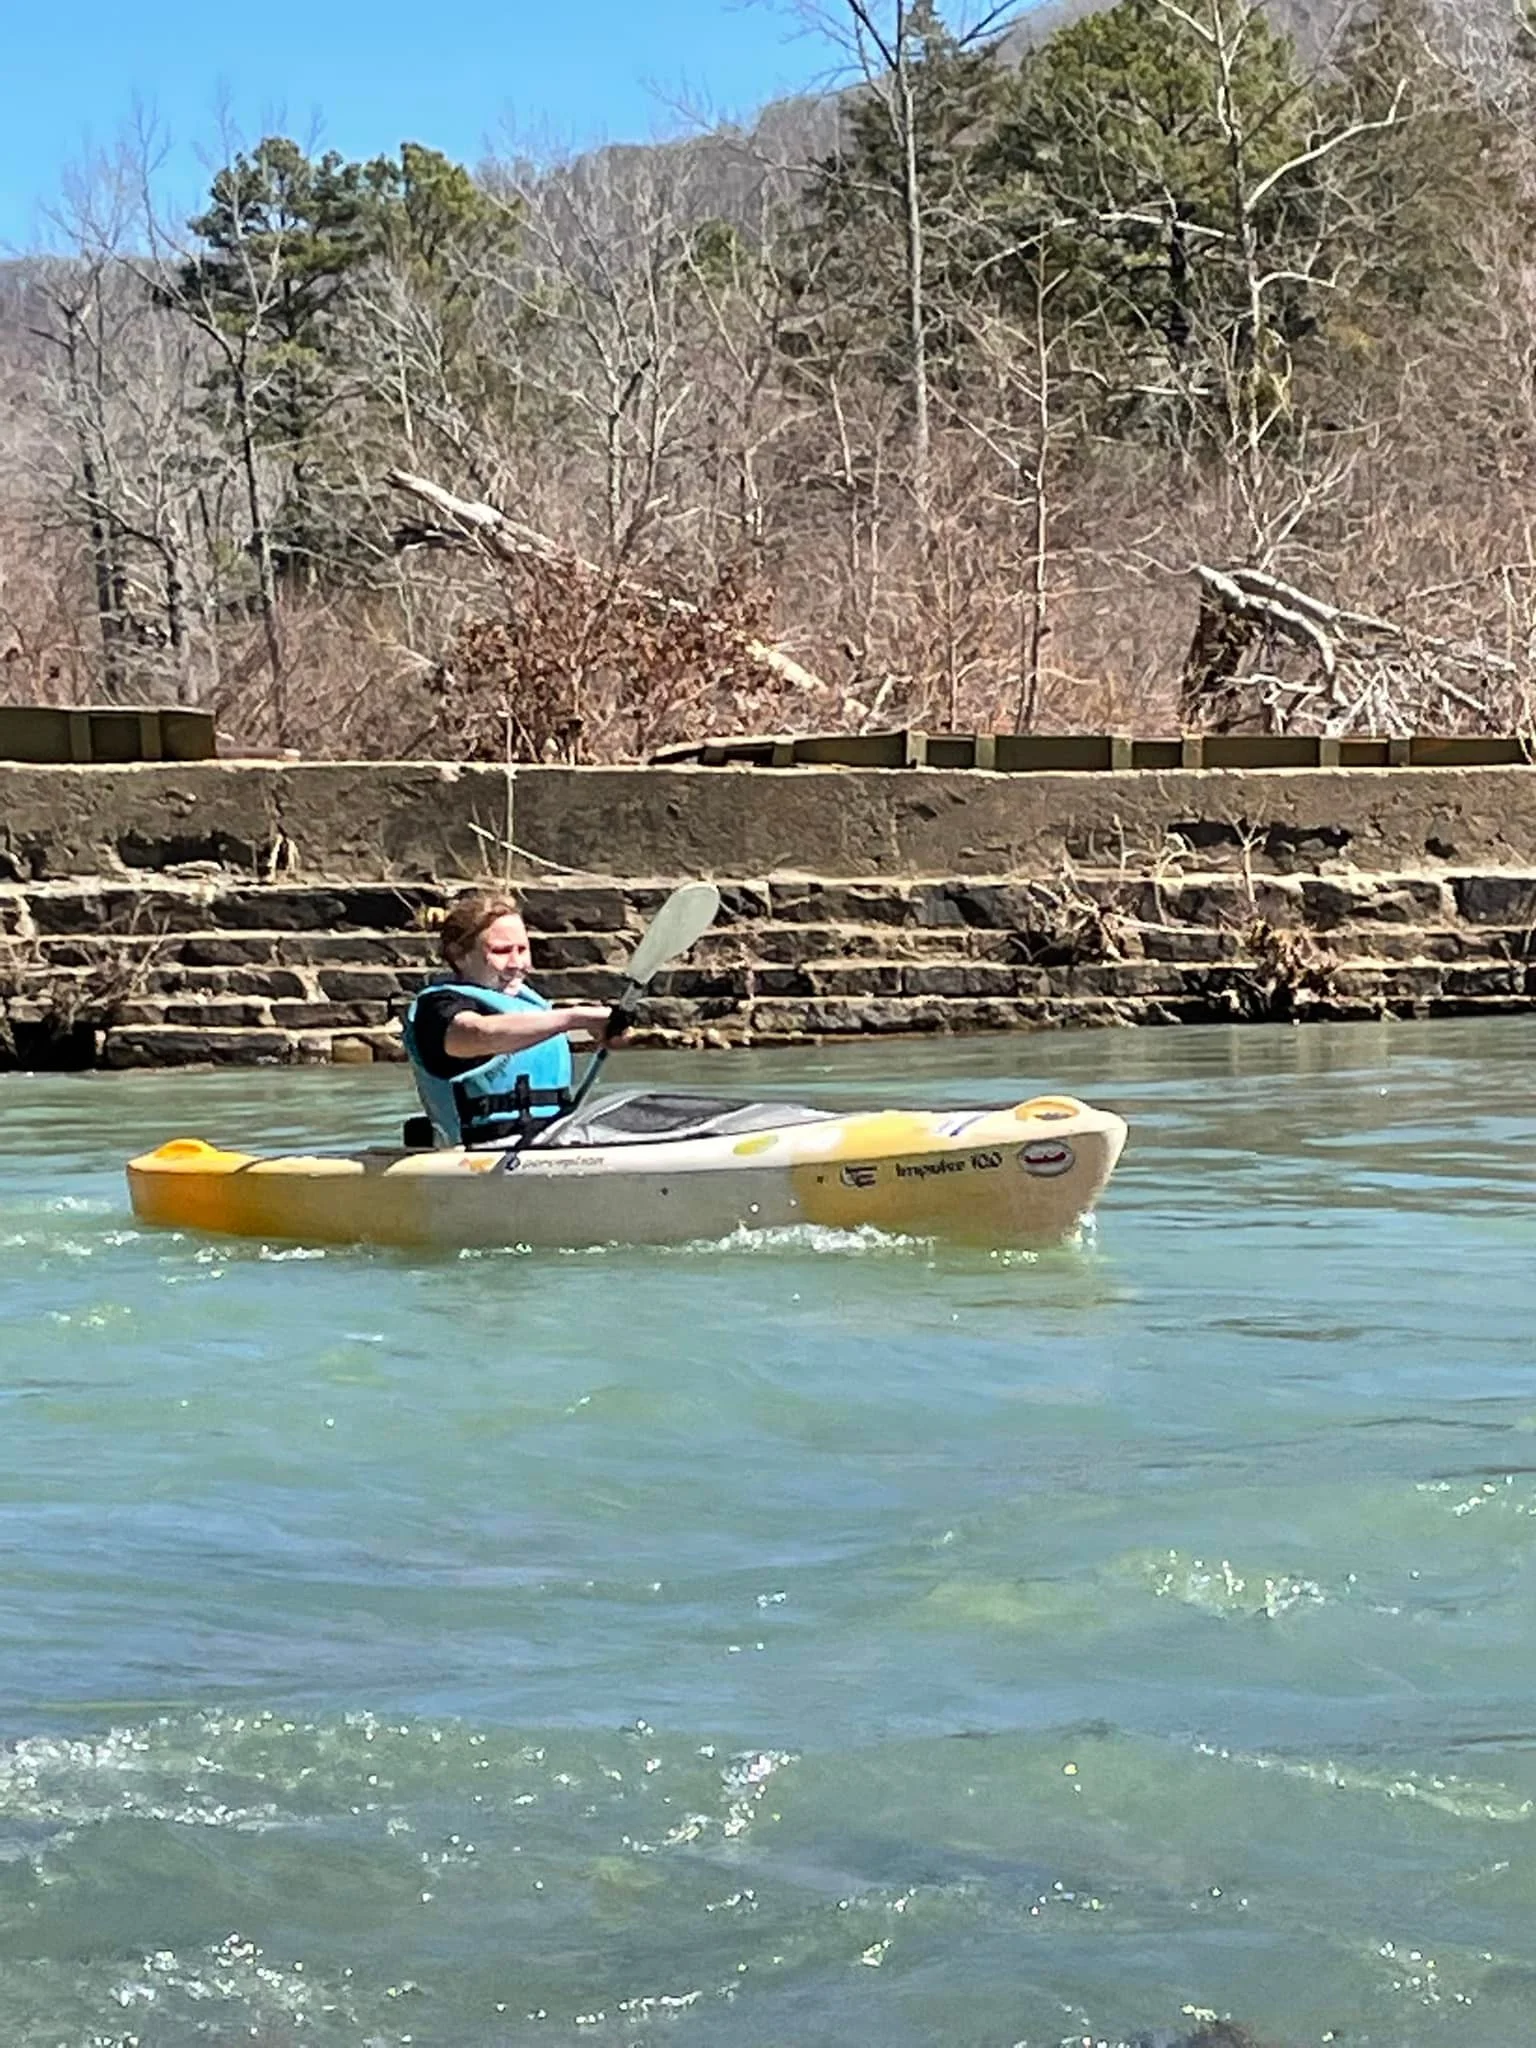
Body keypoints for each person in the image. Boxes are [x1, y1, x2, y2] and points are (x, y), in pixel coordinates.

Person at [403, 891, 620, 1147]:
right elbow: (477, 1035)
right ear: (458, 954)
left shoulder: (531, 1004)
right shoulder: (438, 1009)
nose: (517, 963)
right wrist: (574, 1019)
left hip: (550, 1141)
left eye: (522, 949)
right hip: (479, 1153)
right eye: (501, 951)